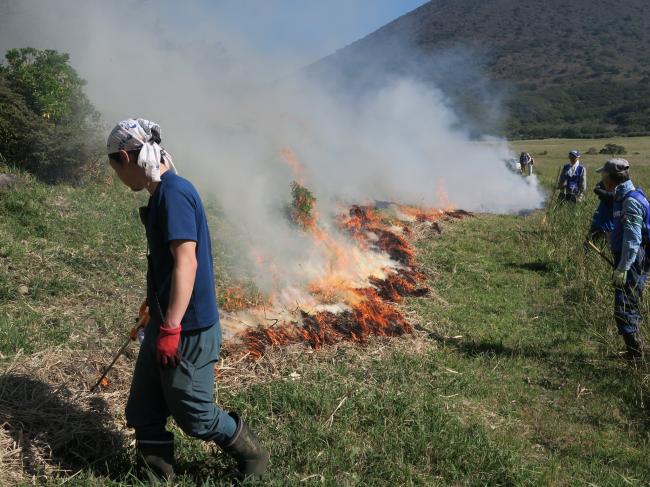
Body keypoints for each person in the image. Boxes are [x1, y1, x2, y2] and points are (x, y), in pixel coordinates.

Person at [106, 119, 269, 480]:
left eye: (114, 167)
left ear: (124, 157)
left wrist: (171, 327)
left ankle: (254, 457)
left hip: (187, 328)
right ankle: (154, 475)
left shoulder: (173, 193)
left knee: (195, 416)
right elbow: (169, 263)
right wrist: (156, 301)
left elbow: (186, 261)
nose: (117, 177)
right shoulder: (163, 193)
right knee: (144, 409)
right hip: (168, 319)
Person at [597, 158, 649, 360]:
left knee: (625, 306)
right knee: (630, 303)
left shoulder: (631, 201)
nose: (602, 179)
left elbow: (633, 240)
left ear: (610, 178)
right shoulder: (624, 197)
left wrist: (623, 267)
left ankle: (636, 355)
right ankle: (635, 352)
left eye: (603, 175)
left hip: (634, 260)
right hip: (631, 259)